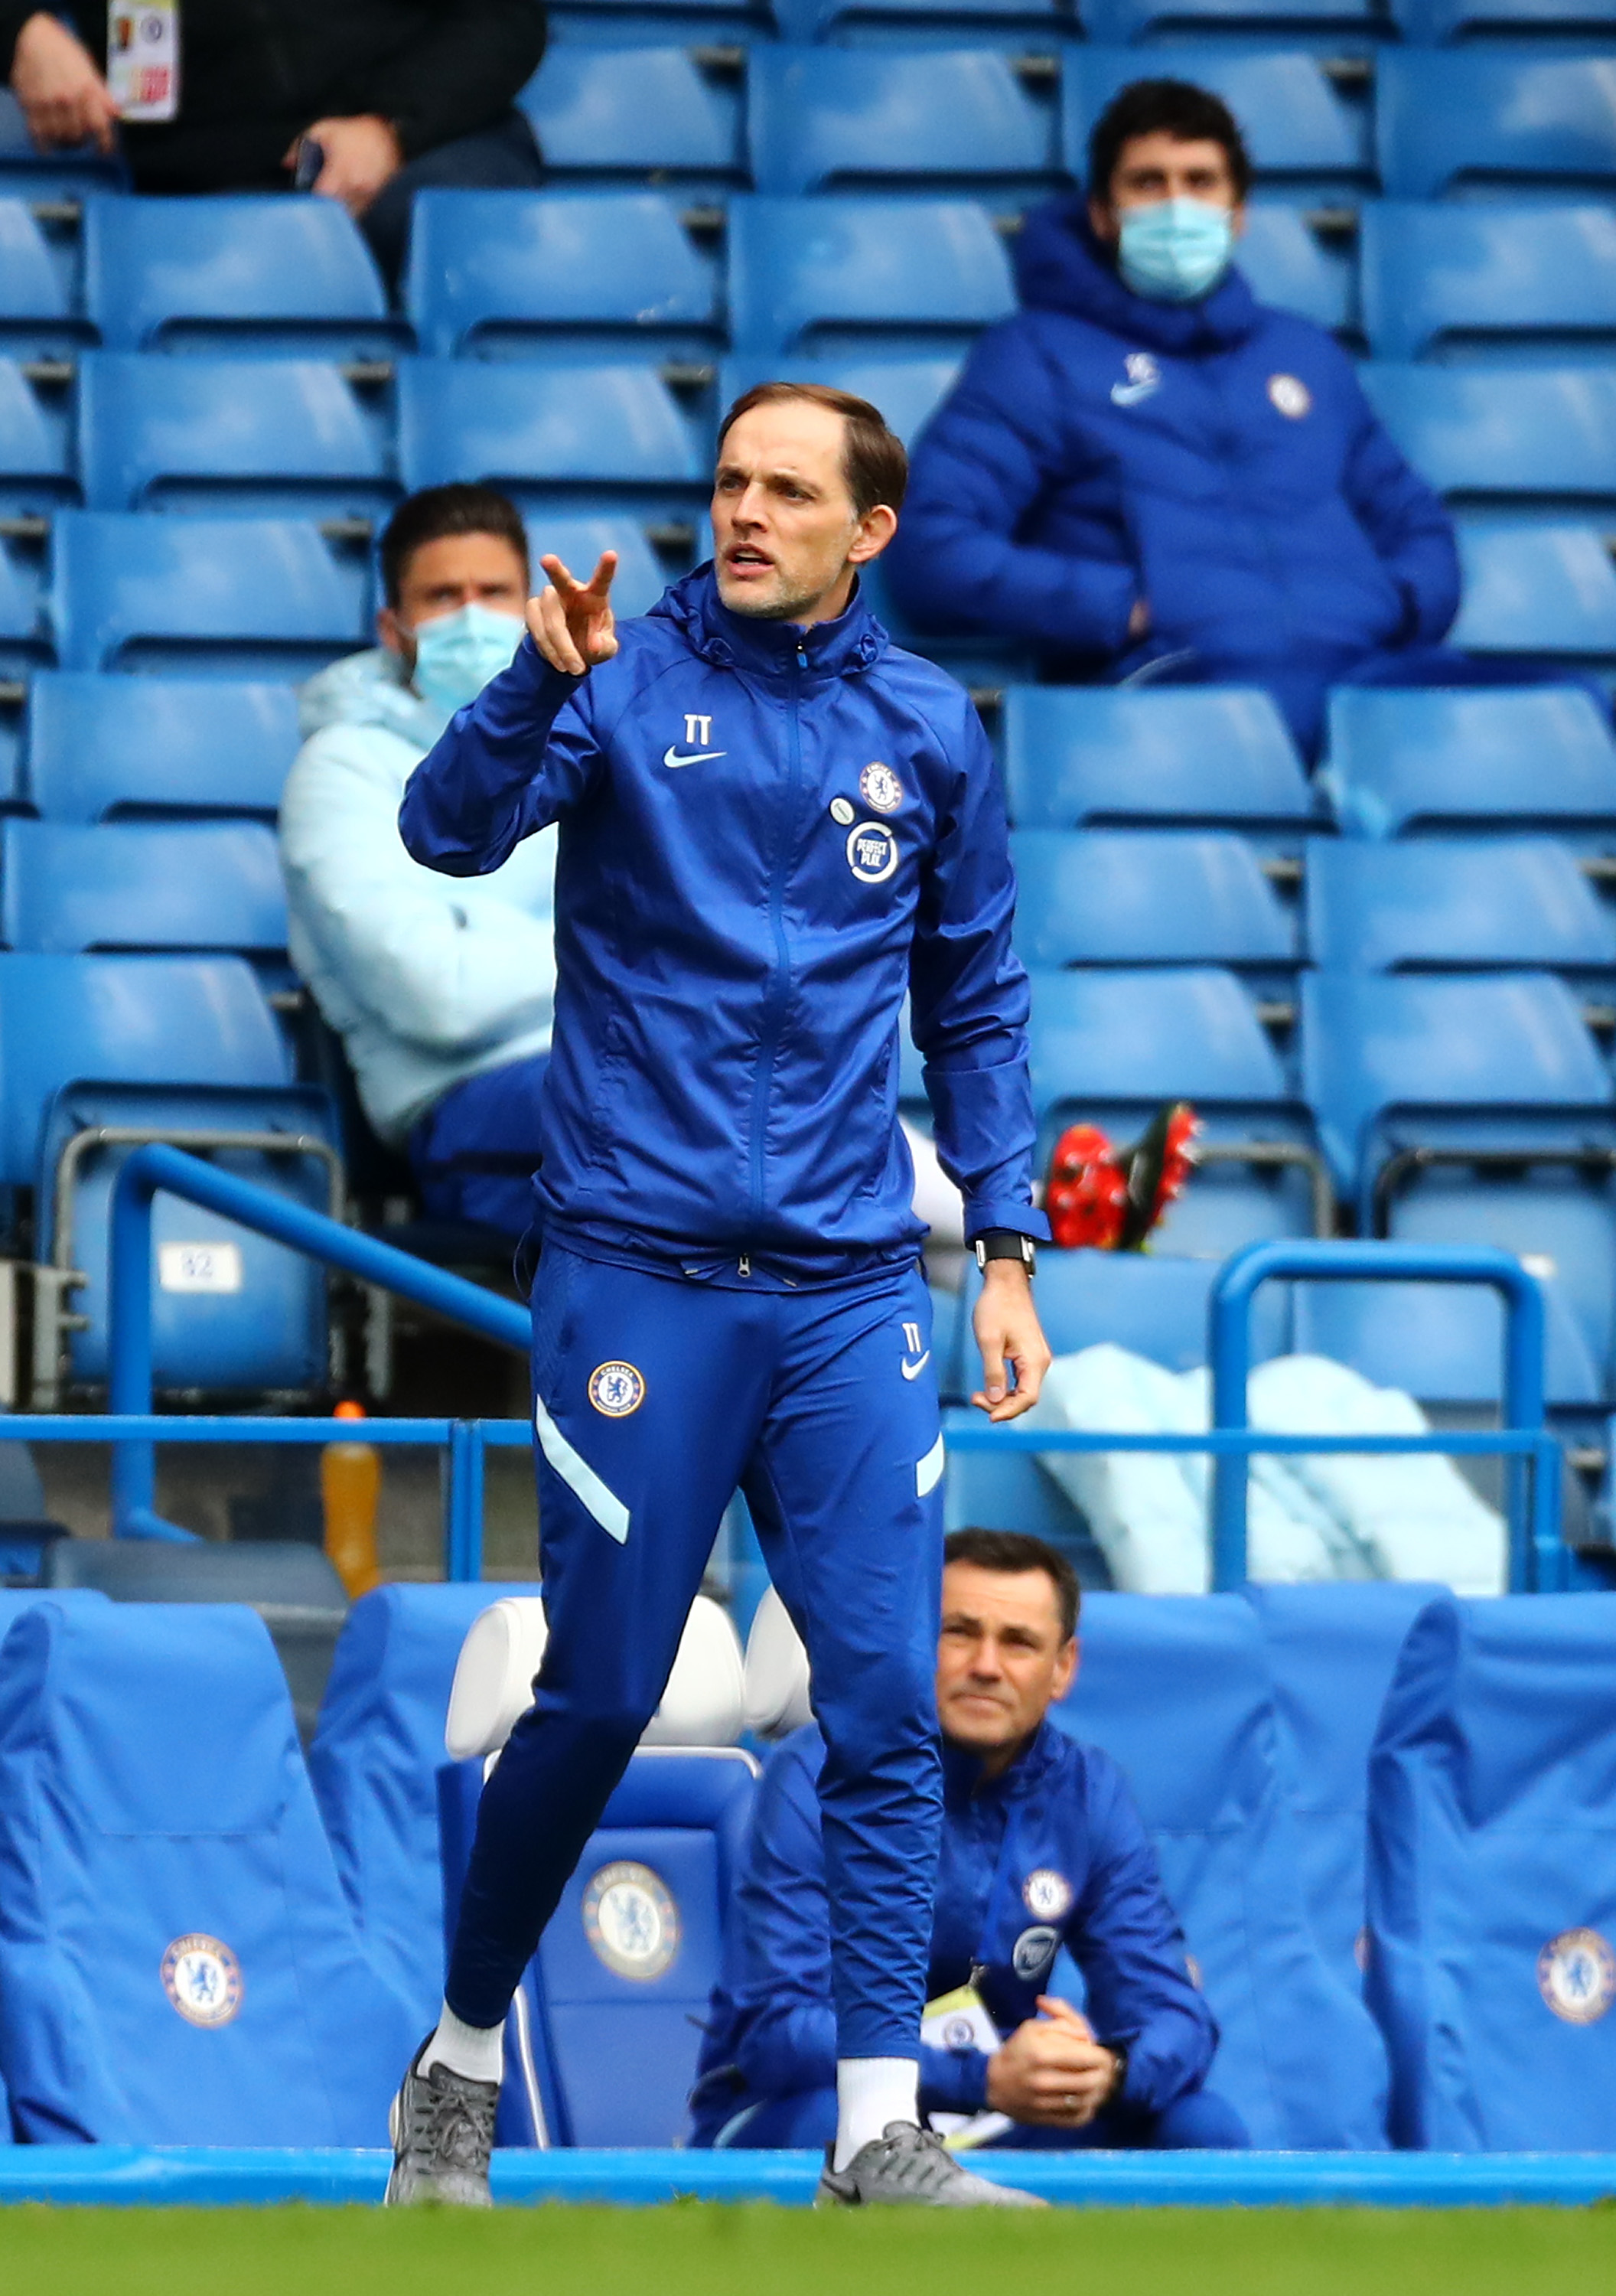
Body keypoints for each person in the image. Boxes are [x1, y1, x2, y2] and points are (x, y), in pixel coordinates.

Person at [386, 381, 1054, 2209]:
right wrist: (531, 679)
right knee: (599, 1692)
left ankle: (874, 2128)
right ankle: (451, 2065)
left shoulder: (928, 723)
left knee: (882, 1704)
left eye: (783, 490)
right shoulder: (613, 676)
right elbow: (440, 832)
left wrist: (999, 1243)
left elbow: (977, 1000)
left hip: (848, 1287)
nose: (741, 513)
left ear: (870, 530)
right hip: (636, 1274)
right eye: (726, 483)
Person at [885, 79, 1473, 758]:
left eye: (1200, 181)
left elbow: (1418, 524)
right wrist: (1121, 608)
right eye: (1148, 183)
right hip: (1178, 688)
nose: (1176, 205)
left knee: (1569, 710)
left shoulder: (1305, 354)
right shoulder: (1036, 356)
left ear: (1238, 211)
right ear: (1104, 214)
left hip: (1364, 672)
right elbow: (932, 544)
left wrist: (1392, 604)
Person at [689, 1528, 1248, 2154]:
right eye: (959, 1632)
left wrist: (1107, 2073)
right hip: (811, 2107)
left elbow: (1173, 2016)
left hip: (998, 2111)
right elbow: (776, 2032)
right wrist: (980, 2077)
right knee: (839, 2127)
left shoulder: (1088, 1792)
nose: (986, 1666)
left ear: (1062, 1669)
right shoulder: (814, 1776)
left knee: (1202, 2126)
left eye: (1018, 1643)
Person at [280, 484, 555, 1243]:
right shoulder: (341, 772)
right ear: (392, 627)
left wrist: (485, 935)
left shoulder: (579, 741)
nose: (472, 617)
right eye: (442, 596)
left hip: (626, 1073)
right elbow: (441, 995)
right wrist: (612, 949)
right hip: (468, 1109)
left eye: (494, 593)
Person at [1, 0, 544, 282]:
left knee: (441, 229)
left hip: (436, 144)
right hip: (225, 188)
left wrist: (388, 129)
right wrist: (24, 33)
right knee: (234, 285)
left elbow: (506, 18)